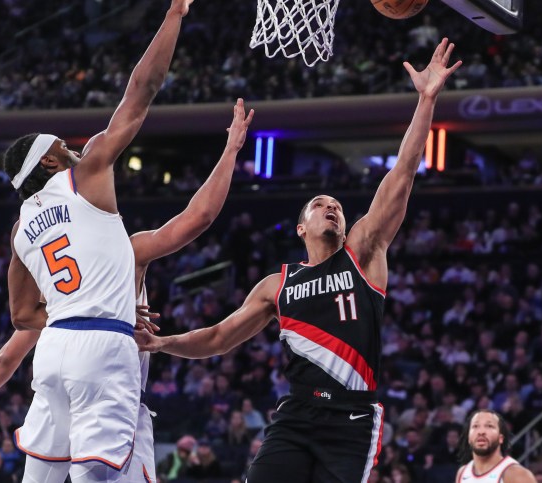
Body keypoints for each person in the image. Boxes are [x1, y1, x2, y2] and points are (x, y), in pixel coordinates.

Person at [137, 38, 463, 483]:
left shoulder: (362, 254)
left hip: (352, 417)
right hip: (296, 414)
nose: (332, 208)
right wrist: (162, 343)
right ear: (300, 228)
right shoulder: (277, 285)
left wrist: (426, 100)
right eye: (319, 204)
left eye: (338, 207)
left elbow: (402, 173)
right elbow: (218, 337)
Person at [0, 98, 253, 483]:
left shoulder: (49, 270)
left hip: (61, 363)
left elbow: (19, 336)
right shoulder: (132, 249)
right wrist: (230, 151)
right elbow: (198, 218)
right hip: (109, 381)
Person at [0, 0, 196, 480]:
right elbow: (141, 91)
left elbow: (22, 316)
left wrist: (74, 307)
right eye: (60, 146)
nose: (73, 146)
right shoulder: (85, 174)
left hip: (53, 351)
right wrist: (174, 15)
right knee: (98, 476)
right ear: (48, 162)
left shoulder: (20, 226)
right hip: (103, 345)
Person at [455, 410, 536, 483]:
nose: (481, 432)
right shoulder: (462, 473)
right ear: (469, 438)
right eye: (475, 426)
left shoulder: (516, 474)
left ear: (500, 438)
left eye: (489, 426)